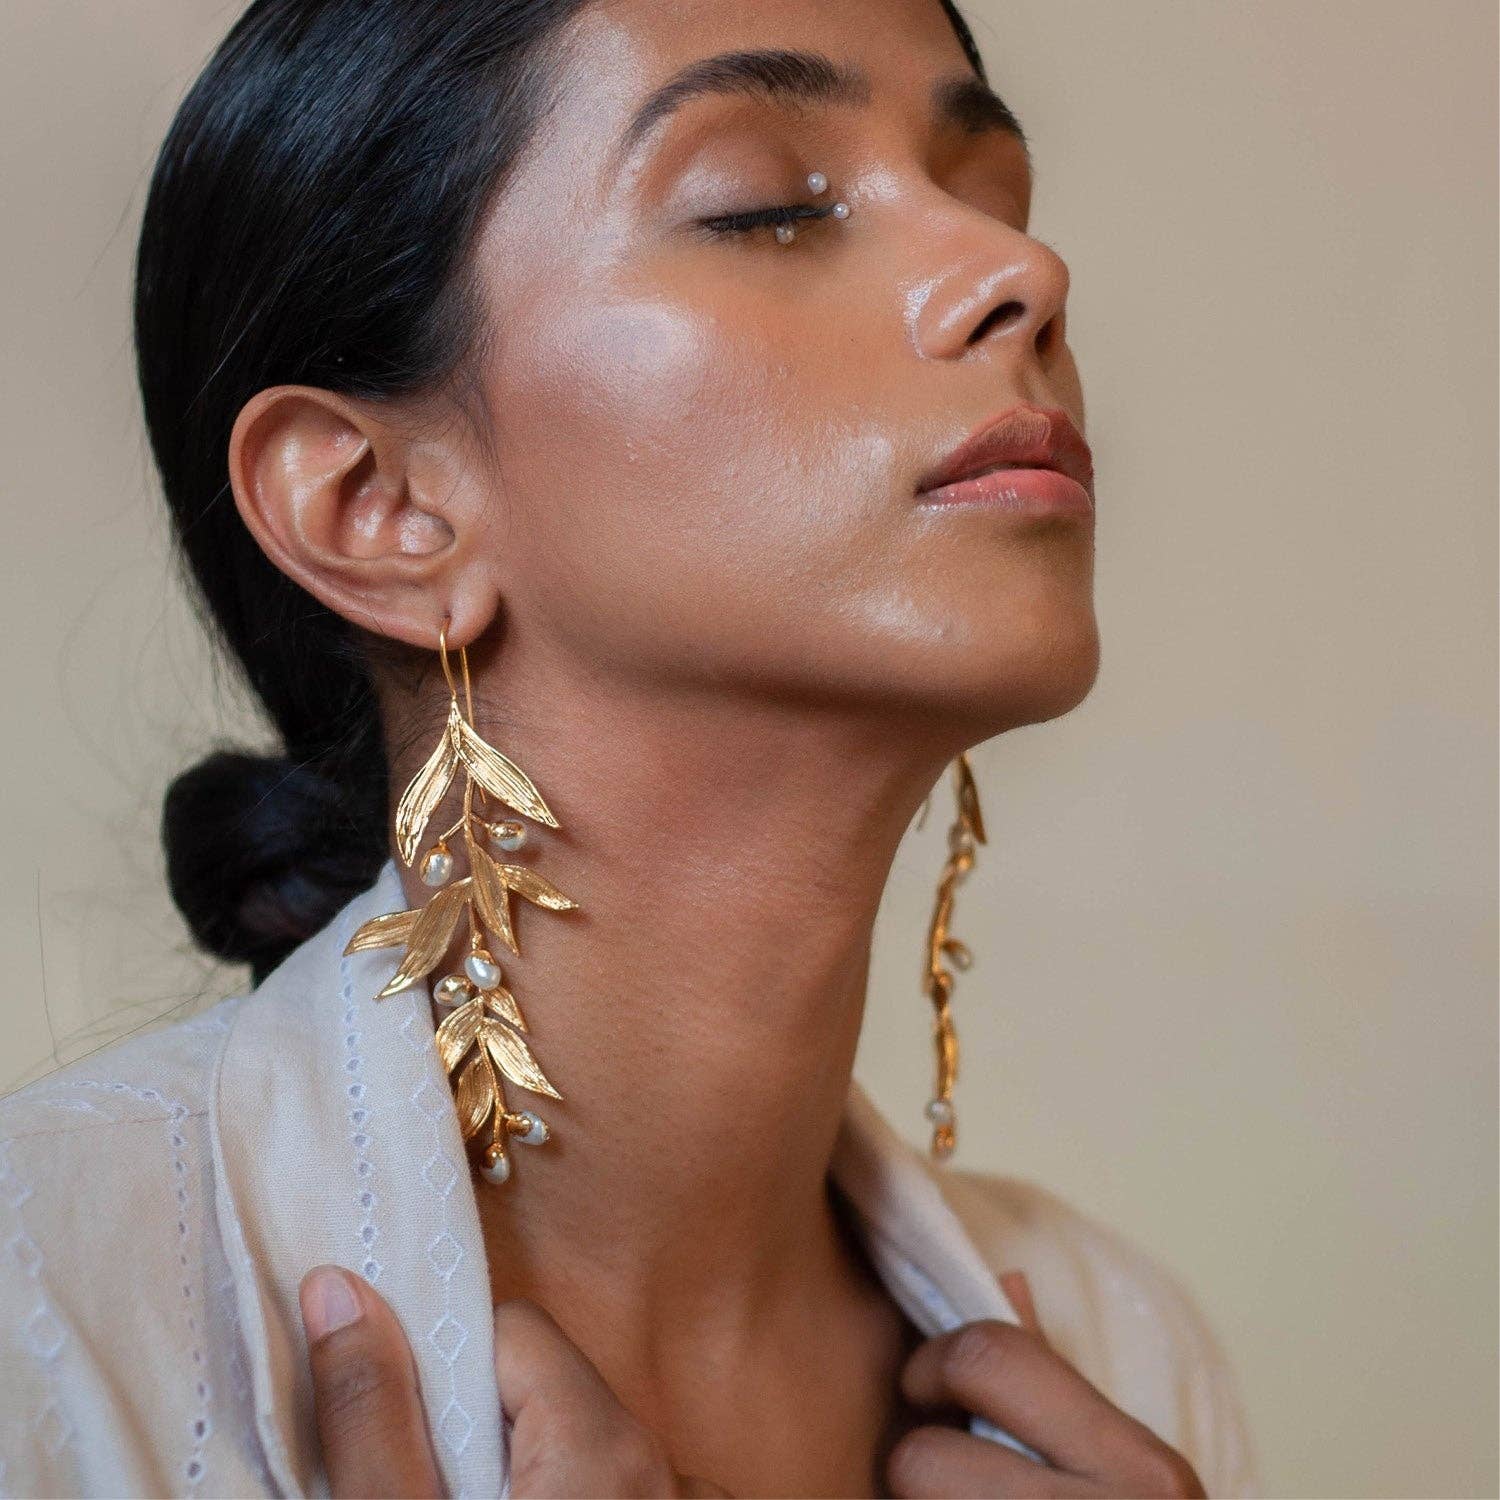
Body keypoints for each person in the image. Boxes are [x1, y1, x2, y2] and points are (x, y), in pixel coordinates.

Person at [0, 0, 1260, 1494]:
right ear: (378, 507)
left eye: (993, 196)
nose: (1023, 273)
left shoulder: (1126, 1361)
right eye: (769, 206)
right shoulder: (49, 1313)